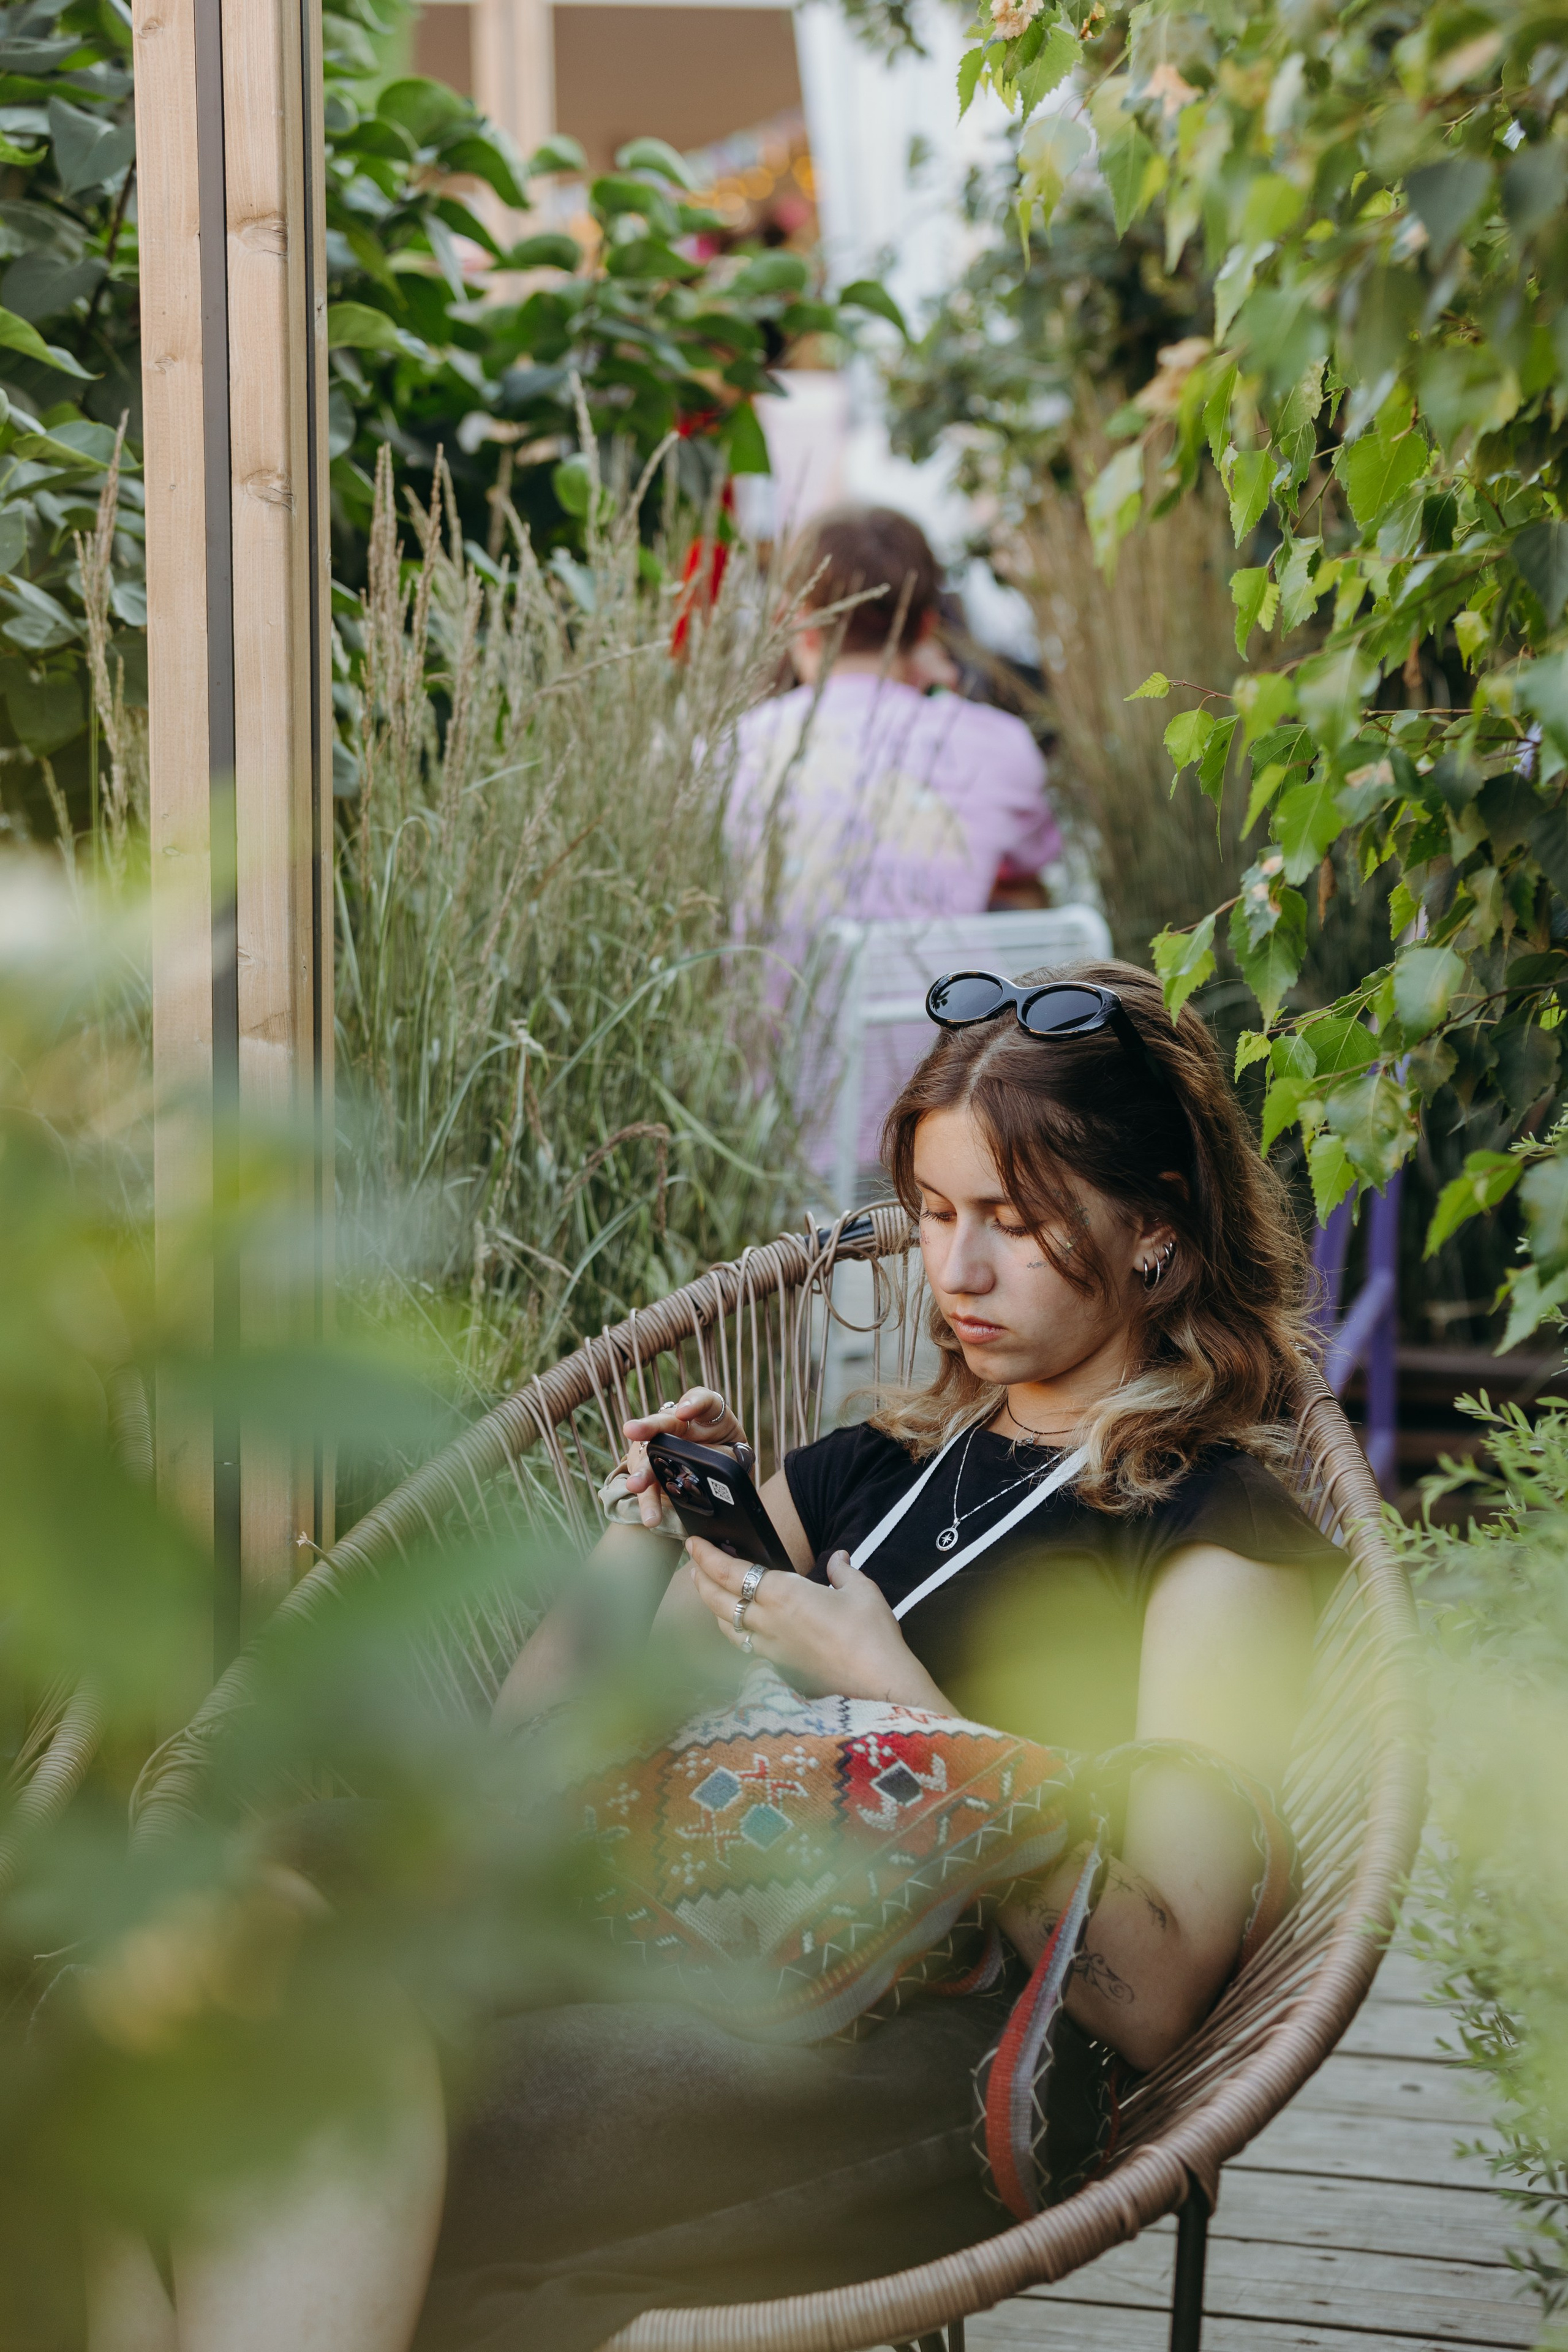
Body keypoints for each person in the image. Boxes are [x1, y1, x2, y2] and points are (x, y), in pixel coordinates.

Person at [95, 961, 1340, 2352]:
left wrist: (899, 1703)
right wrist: (638, 1540)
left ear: (1154, 1233)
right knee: (226, 1972)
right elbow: (539, 1762)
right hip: (669, 1940)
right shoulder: (873, 1464)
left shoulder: (1204, 1522)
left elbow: (1157, 1984)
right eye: (932, 1213)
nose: (955, 1268)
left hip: (907, 2038)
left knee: (291, 2105)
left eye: (1016, 1221)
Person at [728, 503, 1062, 948]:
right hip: (948, 1016)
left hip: (776, 1017)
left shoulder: (730, 751)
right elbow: (1027, 869)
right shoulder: (1002, 744)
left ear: (799, 625)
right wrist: (948, 702)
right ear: (926, 627)